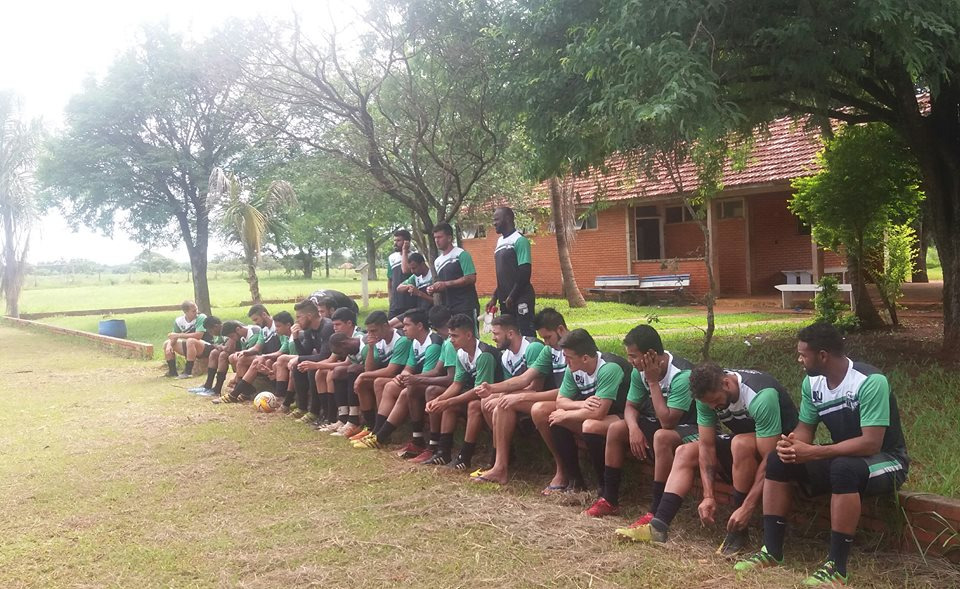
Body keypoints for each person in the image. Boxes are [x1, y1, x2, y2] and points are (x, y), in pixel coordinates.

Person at [734, 323, 908, 587]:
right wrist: (792, 445)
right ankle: (772, 552)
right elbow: (805, 429)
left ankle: (837, 568)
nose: (799, 359)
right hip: (846, 458)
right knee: (777, 461)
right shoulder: (812, 383)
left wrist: (815, 452)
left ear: (823, 355)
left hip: (887, 461)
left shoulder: (870, 382)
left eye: (803, 354)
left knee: (843, 469)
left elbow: (871, 444)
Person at [616, 363, 798, 558]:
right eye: (709, 404)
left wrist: (747, 507)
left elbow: (770, 458)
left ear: (726, 384)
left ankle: (737, 532)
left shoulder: (761, 396)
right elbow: (706, 446)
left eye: (715, 401)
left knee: (740, 444)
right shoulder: (708, 397)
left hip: (782, 451)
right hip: (746, 442)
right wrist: (708, 495)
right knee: (685, 451)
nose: (713, 407)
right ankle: (658, 526)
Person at [583, 324, 696, 518]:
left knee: (662, 436)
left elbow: (668, 422)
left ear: (651, 354)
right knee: (618, 428)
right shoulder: (640, 371)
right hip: (659, 422)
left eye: (634, 356)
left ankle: (656, 509)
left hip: (689, 427)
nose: (631, 362)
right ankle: (609, 499)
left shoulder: (681, 375)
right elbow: (630, 406)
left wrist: (653, 382)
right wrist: (634, 429)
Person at [470, 308, 569, 488]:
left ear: (561, 330)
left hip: (572, 402)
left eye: (547, 338)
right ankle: (500, 467)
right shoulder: (549, 350)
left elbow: (566, 391)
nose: (545, 343)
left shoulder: (574, 349)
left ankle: (563, 470)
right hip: (555, 398)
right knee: (504, 404)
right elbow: (524, 379)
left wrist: (520, 397)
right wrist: (492, 388)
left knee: (535, 408)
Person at [543, 328, 632, 494]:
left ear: (585, 358)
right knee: (557, 421)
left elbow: (598, 412)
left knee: (589, 425)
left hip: (625, 415)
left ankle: (604, 486)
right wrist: (582, 404)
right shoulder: (573, 369)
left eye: (569, 358)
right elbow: (560, 401)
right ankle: (575, 481)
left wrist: (565, 414)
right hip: (602, 415)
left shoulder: (609, 368)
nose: (566, 362)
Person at [354, 309, 444, 449]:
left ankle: (381, 436)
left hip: (431, 383)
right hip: (416, 380)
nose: (403, 328)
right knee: (387, 384)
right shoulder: (415, 342)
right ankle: (377, 431)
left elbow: (430, 374)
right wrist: (402, 375)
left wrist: (408, 377)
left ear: (419, 326)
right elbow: (409, 367)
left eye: (407, 325)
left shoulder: (432, 344)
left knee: (403, 392)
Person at [423, 313, 500, 468]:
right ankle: (443, 452)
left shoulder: (484, 355)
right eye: (450, 335)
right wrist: (439, 400)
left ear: (469, 335)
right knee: (449, 405)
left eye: (455, 336)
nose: (451, 340)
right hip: (475, 394)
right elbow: (457, 384)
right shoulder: (461, 352)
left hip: (491, 396)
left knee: (472, 405)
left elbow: (480, 390)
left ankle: (465, 456)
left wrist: (448, 401)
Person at [402, 305, 459, 462]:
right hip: (457, 386)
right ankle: (418, 439)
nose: (403, 329)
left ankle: (434, 446)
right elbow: (437, 370)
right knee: (412, 388)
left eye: (406, 325)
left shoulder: (446, 343)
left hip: (466, 388)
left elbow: (452, 379)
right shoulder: (446, 342)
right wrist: (413, 379)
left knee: (432, 392)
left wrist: (418, 378)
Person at [348, 311, 412, 442]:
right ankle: (370, 427)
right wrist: (371, 348)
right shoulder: (378, 341)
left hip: (401, 377)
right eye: (369, 331)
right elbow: (369, 369)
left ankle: (380, 429)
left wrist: (363, 375)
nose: (371, 334)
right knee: (363, 383)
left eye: (374, 330)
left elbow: (391, 370)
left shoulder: (401, 340)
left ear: (385, 326)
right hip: (390, 376)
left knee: (378, 381)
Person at [221, 311, 295, 403]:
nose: (255, 323)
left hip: (278, 357)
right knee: (243, 358)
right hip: (272, 357)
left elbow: (282, 351)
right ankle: (242, 392)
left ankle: (238, 392)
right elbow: (257, 347)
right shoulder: (263, 330)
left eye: (256, 319)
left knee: (261, 362)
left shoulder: (280, 330)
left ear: (264, 314)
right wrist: (245, 352)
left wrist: (264, 356)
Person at [486, 207, 535, 336]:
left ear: (508, 218)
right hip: (505, 300)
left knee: (525, 334)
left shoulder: (520, 240)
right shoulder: (499, 242)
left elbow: (525, 272)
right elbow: (504, 276)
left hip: (520, 298)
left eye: (497, 219)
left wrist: (512, 296)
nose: (494, 223)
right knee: (509, 336)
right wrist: (494, 297)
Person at [286, 299, 335, 416]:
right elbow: (304, 353)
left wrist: (299, 359)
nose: (296, 321)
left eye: (299, 317)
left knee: (311, 369)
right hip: (323, 361)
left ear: (309, 316)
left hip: (334, 361)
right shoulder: (309, 330)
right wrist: (296, 338)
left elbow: (325, 356)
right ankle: (302, 407)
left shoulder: (327, 327)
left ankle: (315, 411)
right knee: (298, 367)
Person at [426, 222, 479, 329]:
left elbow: (471, 277)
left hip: (465, 305)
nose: (437, 240)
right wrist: (434, 288)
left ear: (449, 238)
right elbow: (442, 284)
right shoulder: (437, 261)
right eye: (435, 237)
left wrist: (446, 284)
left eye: (440, 237)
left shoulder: (461, 254)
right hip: (448, 307)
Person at [162, 300, 221, 378]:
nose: (196, 312)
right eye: (193, 311)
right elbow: (173, 337)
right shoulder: (179, 321)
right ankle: (172, 371)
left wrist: (179, 335)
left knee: (191, 341)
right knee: (167, 343)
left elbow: (198, 335)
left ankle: (188, 371)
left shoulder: (201, 317)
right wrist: (169, 346)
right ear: (186, 312)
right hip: (190, 347)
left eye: (196, 309)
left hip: (206, 346)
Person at [212, 320, 262, 403]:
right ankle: (244, 390)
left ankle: (236, 392)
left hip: (262, 357)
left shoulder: (254, 333)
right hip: (254, 358)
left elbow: (255, 350)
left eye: (232, 336)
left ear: (238, 329)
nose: (233, 339)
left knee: (241, 359)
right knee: (233, 357)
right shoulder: (243, 337)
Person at [391, 252, 433, 326]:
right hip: (418, 311)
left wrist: (419, 293)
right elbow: (399, 288)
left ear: (422, 264)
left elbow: (437, 301)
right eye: (410, 269)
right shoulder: (415, 277)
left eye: (414, 268)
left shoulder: (432, 276)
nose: (412, 271)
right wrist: (408, 287)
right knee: (390, 324)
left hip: (429, 313)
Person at [387, 229, 418, 321]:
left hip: (409, 301)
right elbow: (390, 279)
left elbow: (406, 271)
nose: (395, 243)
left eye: (398, 240)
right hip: (395, 302)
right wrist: (390, 298)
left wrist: (404, 251)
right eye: (394, 240)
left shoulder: (414, 256)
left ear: (406, 242)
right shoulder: (391, 257)